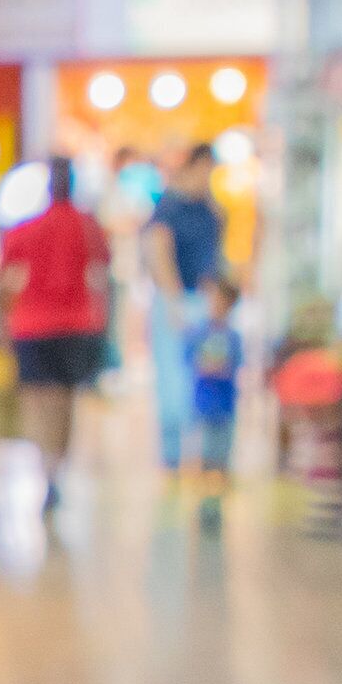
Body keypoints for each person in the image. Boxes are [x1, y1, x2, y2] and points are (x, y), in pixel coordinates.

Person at [0, 158, 113, 514]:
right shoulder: (88, 226)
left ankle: (45, 463)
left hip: (32, 324)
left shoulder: (28, 229)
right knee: (65, 400)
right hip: (77, 324)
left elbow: (6, 275)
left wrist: (0, 319)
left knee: (38, 399)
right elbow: (103, 273)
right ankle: (55, 467)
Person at [147, 144, 242, 527]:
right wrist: (172, 299)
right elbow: (158, 250)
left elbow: (217, 257)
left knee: (207, 382)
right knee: (172, 386)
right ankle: (172, 461)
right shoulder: (168, 207)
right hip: (177, 301)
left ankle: (209, 461)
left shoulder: (210, 209)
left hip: (203, 302)